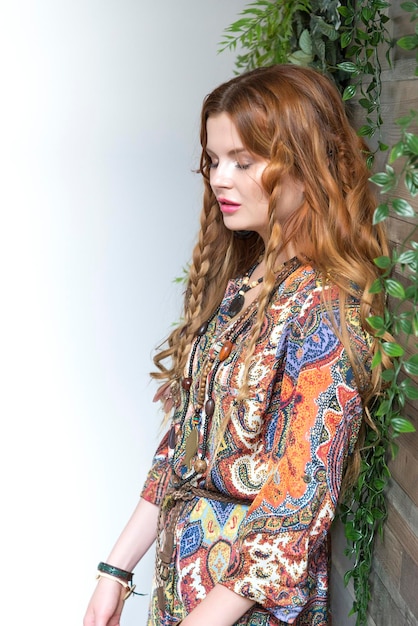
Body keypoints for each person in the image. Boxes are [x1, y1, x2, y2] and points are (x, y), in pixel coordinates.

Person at [83, 64, 389, 626]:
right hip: (186, 588)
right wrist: (116, 572)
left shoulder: (324, 306)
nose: (220, 178)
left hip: (244, 610)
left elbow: (298, 502)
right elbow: (184, 448)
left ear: (307, 164)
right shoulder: (245, 288)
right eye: (214, 160)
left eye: (244, 162)